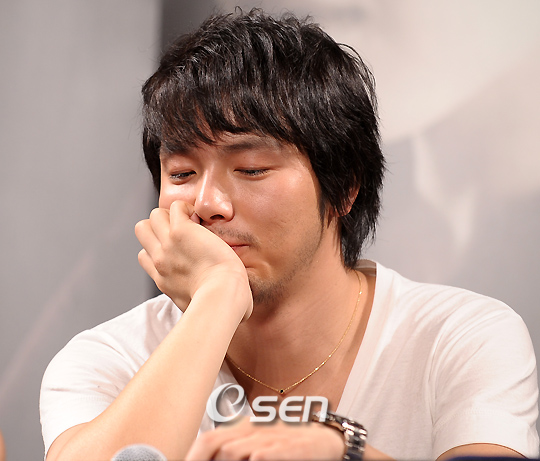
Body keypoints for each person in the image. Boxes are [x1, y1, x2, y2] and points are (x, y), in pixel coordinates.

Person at [39, 9, 539, 461]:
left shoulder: (460, 337)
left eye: (252, 169)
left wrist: (345, 454)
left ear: (344, 187)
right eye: (182, 174)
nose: (207, 204)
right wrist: (218, 298)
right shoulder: (108, 357)